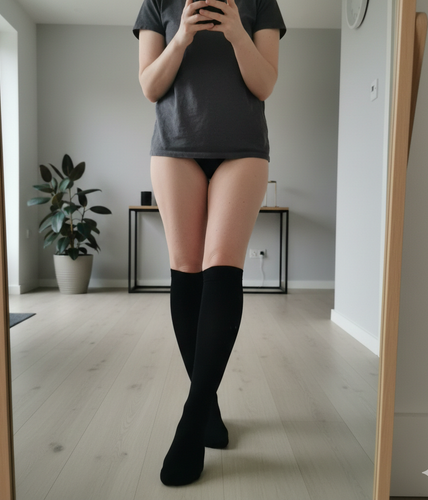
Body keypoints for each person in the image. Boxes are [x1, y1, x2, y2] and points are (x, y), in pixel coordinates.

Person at [133, 0, 285, 486]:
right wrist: (181, 37)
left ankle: (191, 418)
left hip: (243, 149)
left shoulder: (260, 3)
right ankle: (209, 404)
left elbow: (264, 84)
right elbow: (150, 86)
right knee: (186, 267)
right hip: (175, 146)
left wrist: (237, 31)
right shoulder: (158, 3)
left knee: (222, 264)